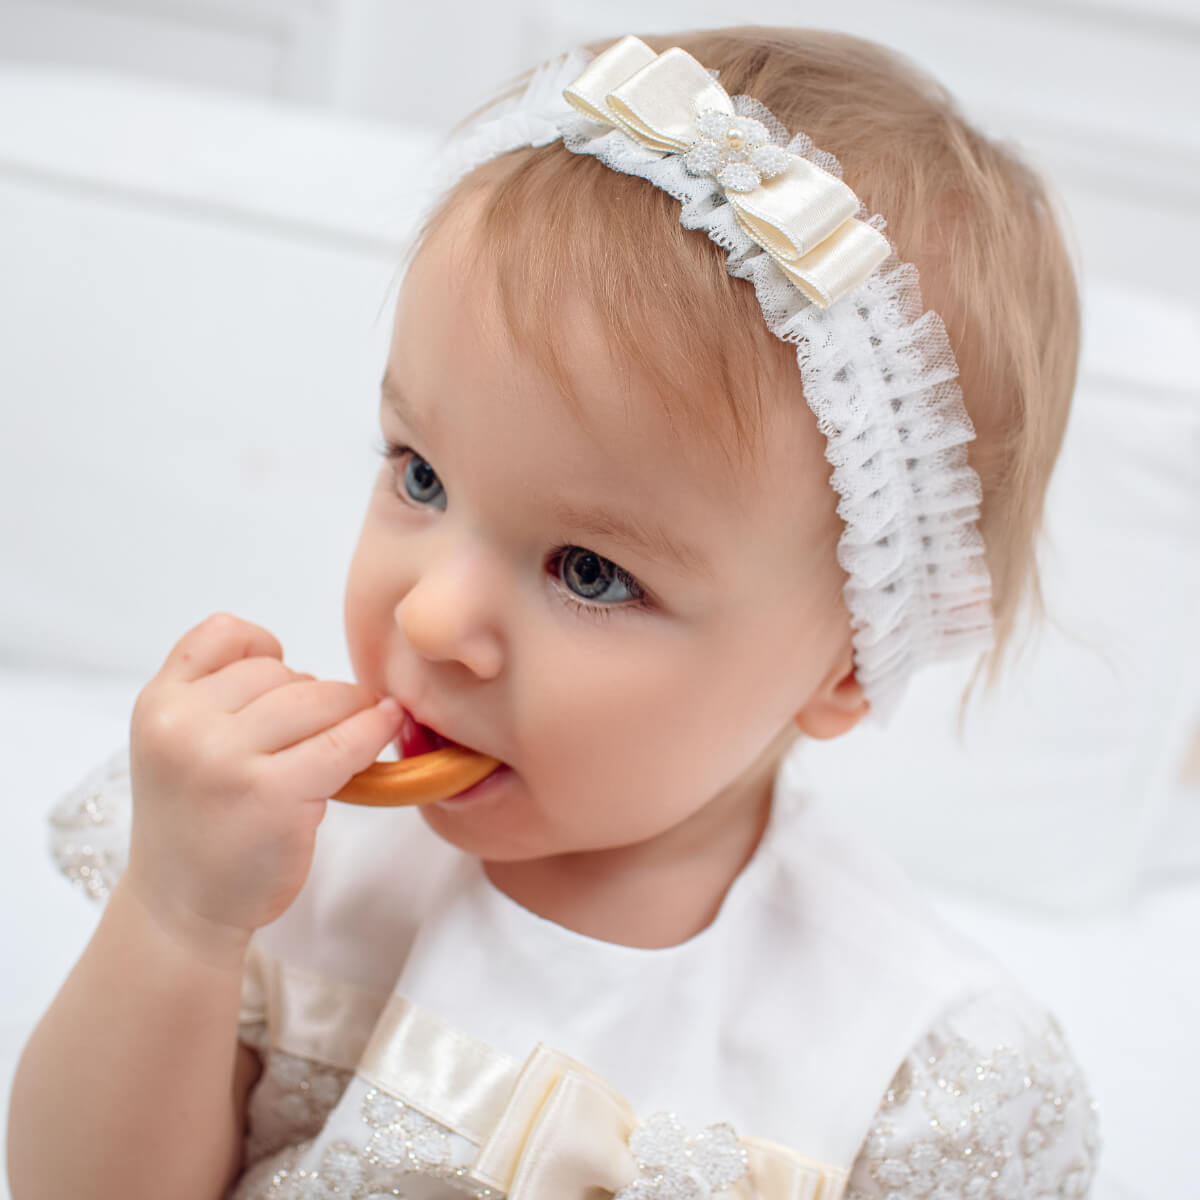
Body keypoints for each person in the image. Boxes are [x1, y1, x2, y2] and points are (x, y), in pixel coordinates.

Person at [7, 26, 1100, 1200]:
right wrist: (178, 919)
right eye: (420, 473)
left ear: (842, 666)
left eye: (589, 571)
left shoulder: (896, 1071)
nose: (430, 618)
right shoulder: (286, 874)